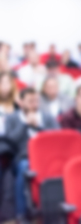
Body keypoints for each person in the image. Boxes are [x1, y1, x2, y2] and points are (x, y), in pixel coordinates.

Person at [5, 88, 59, 222]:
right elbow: (10, 141)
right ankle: (21, 214)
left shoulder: (47, 117)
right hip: (23, 157)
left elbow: (58, 137)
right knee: (25, 168)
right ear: (21, 102)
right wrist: (25, 125)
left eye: (36, 101)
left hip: (47, 157)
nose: (33, 104)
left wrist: (40, 126)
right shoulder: (12, 118)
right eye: (30, 101)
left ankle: (56, 211)